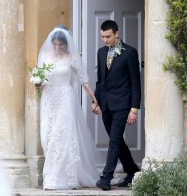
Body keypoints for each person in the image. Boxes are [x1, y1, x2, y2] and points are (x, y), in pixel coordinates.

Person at [35, 25, 103, 190]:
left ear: (66, 44)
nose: (58, 47)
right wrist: (38, 84)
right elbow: (42, 80)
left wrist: (94, 100)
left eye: (61, 44)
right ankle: (52, 175)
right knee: (47, 137)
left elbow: (84, 81)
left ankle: (58, 179)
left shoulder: (71, 58)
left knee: (63, 137)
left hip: (65, 99)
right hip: (49, 99)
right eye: (55, 44)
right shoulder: (44, 55)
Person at [95, 20, 141, 190]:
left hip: (123, 104)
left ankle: (106, 178)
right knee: (117, 141)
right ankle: (133, 171)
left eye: (108, 36)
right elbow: (101, 81)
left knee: (114, 140)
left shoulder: (130, 53)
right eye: (102, 37)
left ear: (116, 33)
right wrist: (96, 101)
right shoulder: (101, 53)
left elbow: (136, 83)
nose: (105, 40)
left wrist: (134, 109)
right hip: (106, 104)